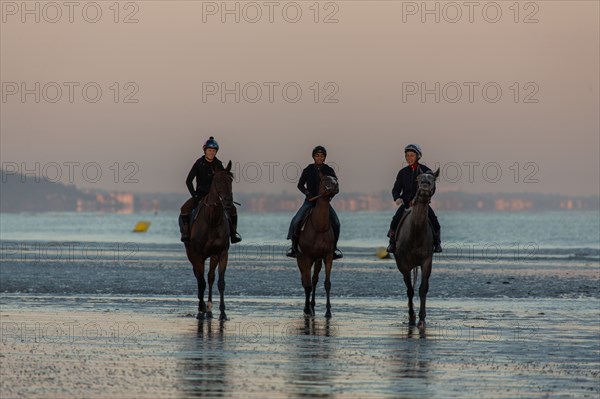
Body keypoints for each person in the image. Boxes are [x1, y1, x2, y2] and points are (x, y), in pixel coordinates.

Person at [178, 136, 242, 244]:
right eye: (209, 150)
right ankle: (186, 234)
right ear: (205, 151)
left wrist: (226, 196)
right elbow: (188, 180)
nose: (211, 153)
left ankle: (233, 234)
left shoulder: (218, 164)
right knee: (184, 209)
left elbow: (223, 181)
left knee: (233, 210)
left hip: (216, 196)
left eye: (213, 151)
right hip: (200, 194)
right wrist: (194, 195)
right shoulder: (198, 163)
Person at [286, 146, 343, 259]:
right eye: (317, 155)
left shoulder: (329, 170)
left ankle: (334, 249)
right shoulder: (308, 169)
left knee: (336, 222)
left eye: (322, 156)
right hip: (310, 201)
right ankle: (293, 247)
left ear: (325, 157)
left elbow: (335, 186)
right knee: (296, 220)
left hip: (324, 202)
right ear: (313, 157)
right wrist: (308, 193)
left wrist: (330, 195)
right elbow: (300, 185)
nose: (319, 158)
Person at [387, 144, 442, 253]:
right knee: (394, 220)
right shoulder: (402, 172)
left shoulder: (427, 172)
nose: (409, 158)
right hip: (406, 204)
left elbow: (432, 187)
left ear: (418, 156)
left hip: (422, 203)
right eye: (407, 156)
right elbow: (396, 189)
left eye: (412, 155)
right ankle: (392, 243)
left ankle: (437, 244)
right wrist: (397, 198)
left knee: (435, 222)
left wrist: (427, 197)